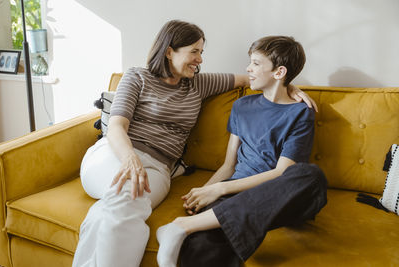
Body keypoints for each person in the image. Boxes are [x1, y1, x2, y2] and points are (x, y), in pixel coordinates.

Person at [72, 20, 317, 267]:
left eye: (201, 52)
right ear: (169, 51)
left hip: (157, 167)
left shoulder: (198, 84)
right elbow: (116, 127)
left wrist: (290, 86)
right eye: (194, 51)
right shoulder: (137, 77)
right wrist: (129, 158)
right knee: (125, 199)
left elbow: (251, 79)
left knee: (113, 208)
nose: (199, 59)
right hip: (114, 153)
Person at [156, 36, 328, 267]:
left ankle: (181, 226)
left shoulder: (300, 112)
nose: (248, 68)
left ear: (279, 72)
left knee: (311, 176)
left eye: (256, 63)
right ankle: (192, 226)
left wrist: (220, 188)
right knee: (202, 246)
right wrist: (205, 193)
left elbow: (282, 173)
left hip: (281, 196)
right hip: (237, 196)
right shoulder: (242, 106)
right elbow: (229, 165)